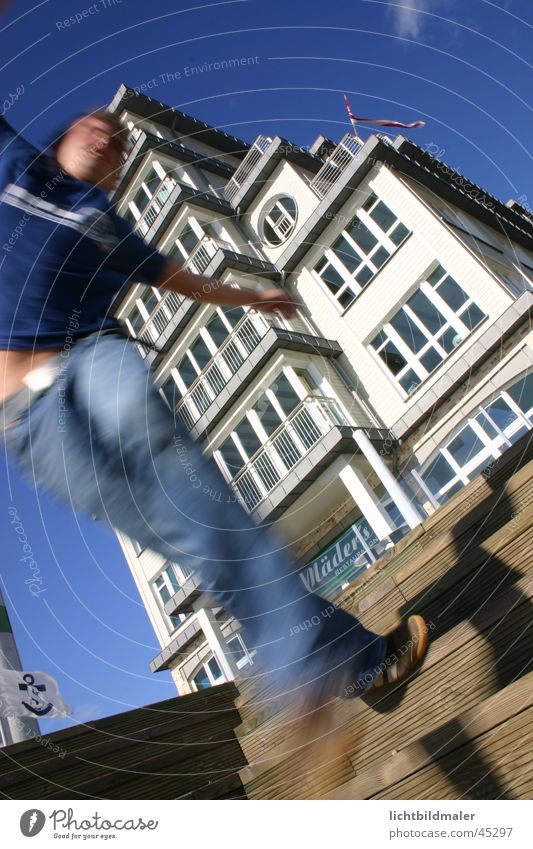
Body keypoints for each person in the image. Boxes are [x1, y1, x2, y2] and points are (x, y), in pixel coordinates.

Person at [0, 99, 429, 723]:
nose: (106, 137)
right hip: (28, 424)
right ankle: (336, 663)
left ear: (119, 171)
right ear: (59, 139)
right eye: (93, 128)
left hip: (92, 364)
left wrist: (253, 295)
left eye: (117, 141)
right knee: (203, 536)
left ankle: (323, 662)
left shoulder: (103, 220)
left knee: (160, 455)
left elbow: (181, 280)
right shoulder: (18, 171)